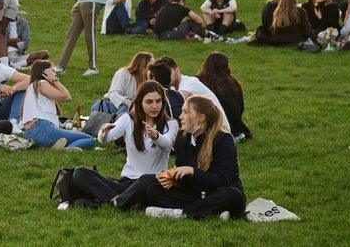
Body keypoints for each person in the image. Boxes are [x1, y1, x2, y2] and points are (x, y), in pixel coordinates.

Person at [70, 81, 179, 210]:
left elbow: (167, 145)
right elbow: (105, 139)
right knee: (80, 173)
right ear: (140, 102)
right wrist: (103, 132)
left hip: (151, 185)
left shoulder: (171, 124)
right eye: (149, 102)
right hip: (128, 183)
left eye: (158, 101)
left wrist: (156, 136)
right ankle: (118, 202)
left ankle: (110, 201)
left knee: (147, 179)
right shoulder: (128, 119)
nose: (155, 106)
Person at [143, 96, 246, 221]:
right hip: (196, 195)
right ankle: (212, 212)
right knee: (153, 189)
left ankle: (183, 214)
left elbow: (222, 180)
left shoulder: (223, 140)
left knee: (233, 195)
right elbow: (186, 183)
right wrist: (173, 178)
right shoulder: (183, 140)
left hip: (219, 192)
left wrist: (192, 171)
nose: (180, 116)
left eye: (186, 112)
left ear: (201, 117)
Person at [20, 59, 95, 150]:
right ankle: (65, 150)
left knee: (74, 136)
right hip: (42, 129)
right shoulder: (41, 83)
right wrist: (55, 81)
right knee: (89, 139)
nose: (55, 72)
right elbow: (66, 97)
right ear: (44, 72)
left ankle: (59, 146)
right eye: (52, 70)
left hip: (32, 134)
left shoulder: (34, 86)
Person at [196, 52, 252, 141]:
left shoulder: (199, 82)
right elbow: (241, 108)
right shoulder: (233, 82)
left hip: (213, 123)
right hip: (235, 124)